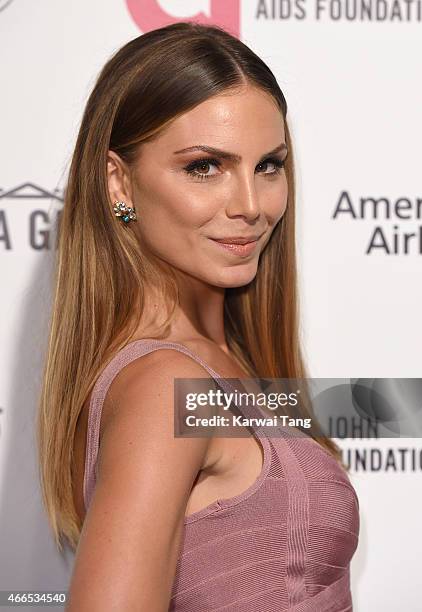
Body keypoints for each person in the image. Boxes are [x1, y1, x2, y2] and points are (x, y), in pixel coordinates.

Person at [37, 21, 360, 611]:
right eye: (204, 166)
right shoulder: (165, 386)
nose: (251, 206)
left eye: (268, 165)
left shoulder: (222, 358)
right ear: (119, 183)